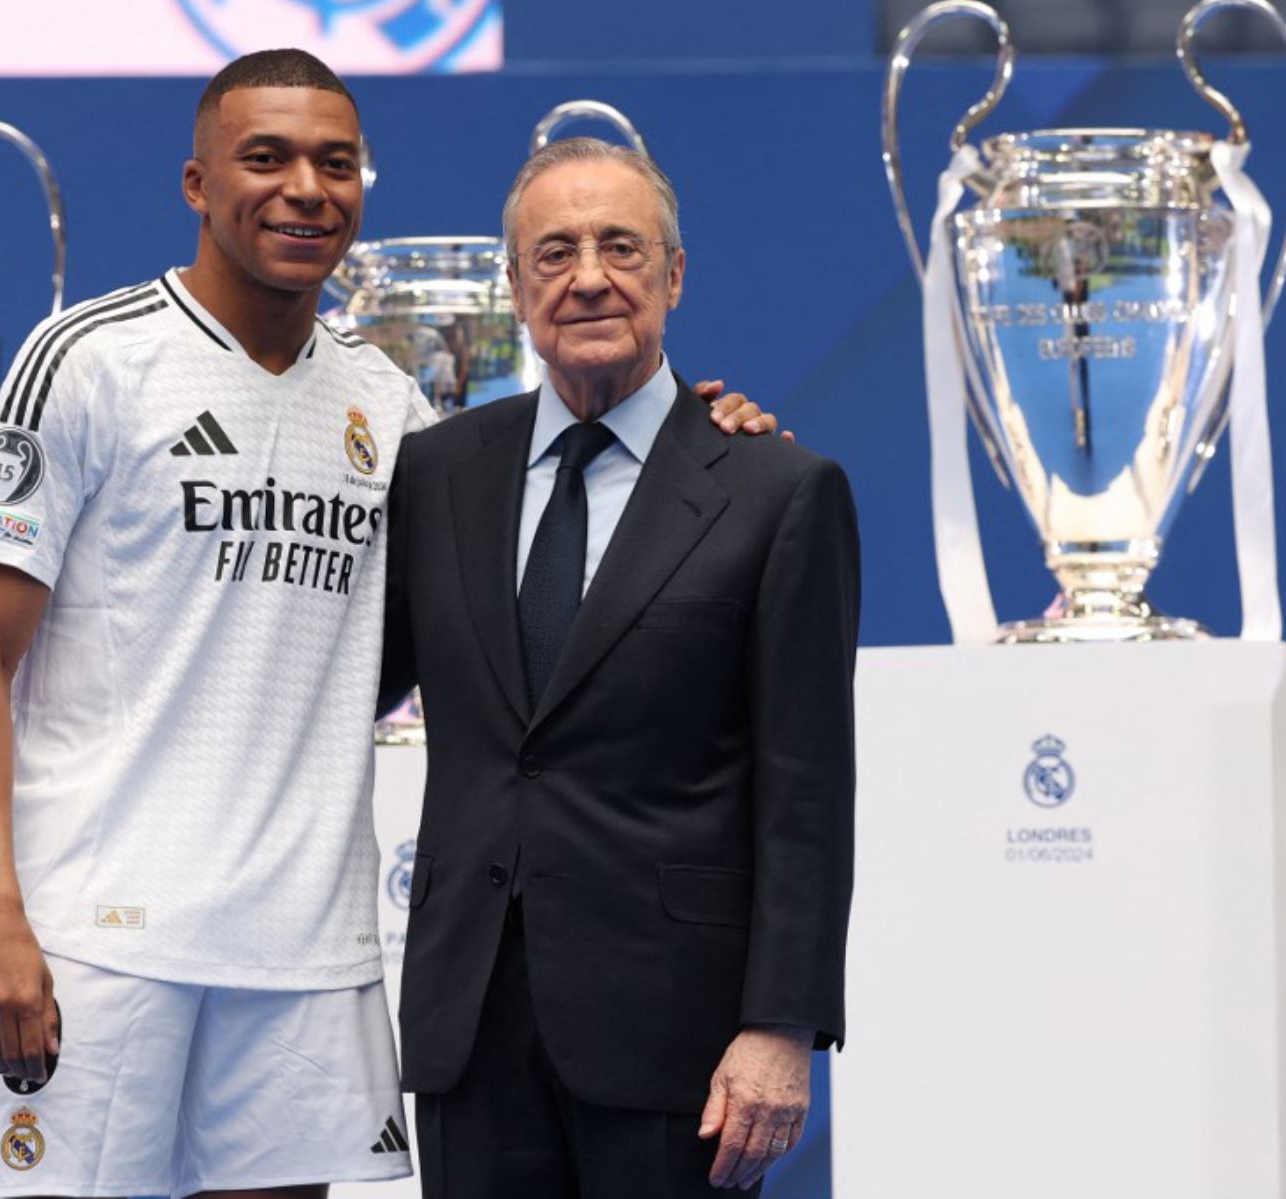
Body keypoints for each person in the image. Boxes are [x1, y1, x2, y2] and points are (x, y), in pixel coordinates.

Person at [0, 49, 779, 1199]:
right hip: (101, 937)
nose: (305, 189)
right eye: (265, 157)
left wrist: (698, 429)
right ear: (195, 182)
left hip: (305, 949)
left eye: (336, 164)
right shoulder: (87, 360)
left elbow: (510, 583)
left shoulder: (391, 409)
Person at [379, 137, 860, 1197]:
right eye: (553, 252)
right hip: (470, 1033)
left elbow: (808, 788)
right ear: (512, 287)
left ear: (674, 275)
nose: (587, 276)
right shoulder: (437, 471)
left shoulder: (777, 489)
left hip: (677, 1046)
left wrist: (782, 1024)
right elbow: (346, 681)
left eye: (619, 246)